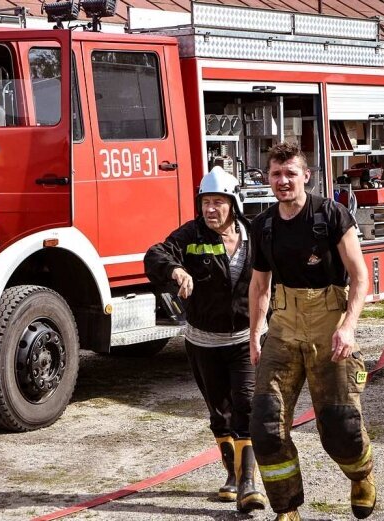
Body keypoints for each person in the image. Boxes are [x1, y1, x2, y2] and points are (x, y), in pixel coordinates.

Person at [248, 142, 375, 521]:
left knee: (340, 426)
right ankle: (286, 508)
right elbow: (259, 286)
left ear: (306, 175)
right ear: (268, 178)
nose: (283, 181)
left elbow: (360, 277)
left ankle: (361, 476)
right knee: (266, 426)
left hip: (329, 325)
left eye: (290, 173)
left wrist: (348, 327)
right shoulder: (264, 225)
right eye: (276, 174)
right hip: (284, 328)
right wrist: (256, 334)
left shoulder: (332, 215)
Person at [144, 166, 266, 513]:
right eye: (205, 202)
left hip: (245, 339)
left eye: (218, 202)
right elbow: (155, 254)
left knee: (247, 404)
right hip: (204, 342)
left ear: (233, 202)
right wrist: (176, 270)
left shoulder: (254, 234)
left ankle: (248, 485)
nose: (210, 210)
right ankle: (231, 475)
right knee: (220, 411)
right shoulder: (190, 235)